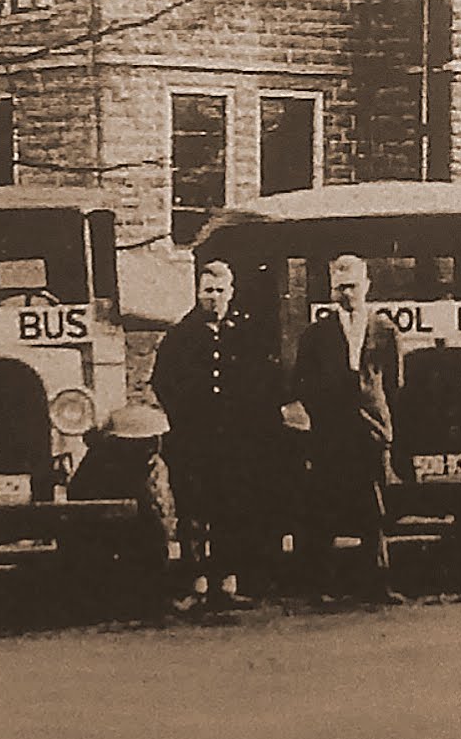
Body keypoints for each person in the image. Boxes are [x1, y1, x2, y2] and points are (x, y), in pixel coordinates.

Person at [147, 259, 278, 607]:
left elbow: (263, 382)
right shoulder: (180, 336)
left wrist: (249, 423)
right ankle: (197, 583)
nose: (215, 298)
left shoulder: (246, 333)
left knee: (231, 508)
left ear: (231, 293)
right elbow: (163, 383)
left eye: (221, 291)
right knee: (193, 511)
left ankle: (227, 582)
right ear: (197, 293)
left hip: (235, 441)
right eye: (208, 291)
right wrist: (187, 417)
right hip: (193, 441)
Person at [284, 253, 402, 600]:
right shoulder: (317, 333)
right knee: (324, 507)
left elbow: (394, 382)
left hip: (371, 431)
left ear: (366, 286)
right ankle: (320, 586)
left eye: (352, 286)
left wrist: (380, 418)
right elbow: (302, 381)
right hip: (331, 433)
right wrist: (323, 415)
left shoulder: (385, 329)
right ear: (332, 291)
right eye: (340, 288)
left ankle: (377, 583)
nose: (347, 293)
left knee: (374, 508)